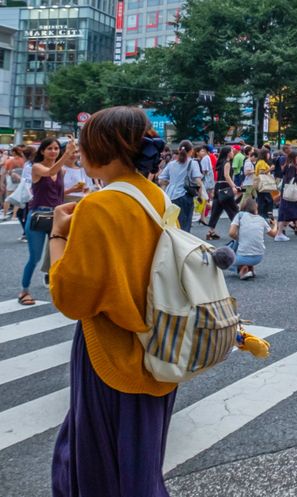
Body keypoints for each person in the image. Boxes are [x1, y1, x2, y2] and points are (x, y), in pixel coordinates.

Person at [48, 106, 176, 497]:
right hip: (160, 346)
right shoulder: (155, 195)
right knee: (141, 462)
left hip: (108, 348)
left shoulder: (97, 206)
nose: (78, 152)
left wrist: (57, 236)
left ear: (102, 147)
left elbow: (70, 297)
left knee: (97, 464)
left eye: (83, 143)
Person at [18, 138, 75, 306]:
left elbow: (59, 193)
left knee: (60, 256)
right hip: (38, 216)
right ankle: (24, 291)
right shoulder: (37, 167)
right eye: (50, 148)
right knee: (34, 257)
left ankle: (60, 290)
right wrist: (67, 153)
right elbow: (50, 172)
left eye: (57, 148)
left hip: (56, 217)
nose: (54, 151)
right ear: (42, 151)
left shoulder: (62, 171)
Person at [158, 140, 202, 233]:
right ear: (191, 151)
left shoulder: (171, 164)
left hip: (170, 196)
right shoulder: (193, 163)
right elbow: (198, 181)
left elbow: (161, 179)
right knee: (184, 226)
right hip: (184, 196)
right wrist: (200, 196)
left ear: (178, 150)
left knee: (170, 224)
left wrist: (171, 182)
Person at [229, 198, 278, 279]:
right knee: (247, 241)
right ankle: (250, 267)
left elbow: (231, 233)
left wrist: (239, 239)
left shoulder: (240, 215)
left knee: (235, 243)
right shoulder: (261, 219)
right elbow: (274, 234)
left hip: (242, 257)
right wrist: (275, 224)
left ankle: (243, 268)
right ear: (255, 208)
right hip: (258, 257)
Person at [206, 146, 241, 240]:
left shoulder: (220, 162)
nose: (233, 153)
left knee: (216, 210)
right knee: (233, 209)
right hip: (225, 187)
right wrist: (234, 186)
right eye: (232, 151)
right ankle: (238, 231)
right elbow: (227, 176)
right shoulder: (227, 163)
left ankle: (210, 231)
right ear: (228, 153)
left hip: (218, 187)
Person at [197, 145, 215, 225]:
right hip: (209, 181)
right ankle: (203, 216)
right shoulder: (207, 158)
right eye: (201, 151)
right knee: (206, 198)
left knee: (205, 198)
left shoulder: (205, 158)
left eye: (203, 151)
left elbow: (204, 171)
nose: (202, 152)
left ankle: (204, 215)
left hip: (205, 182)